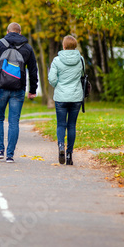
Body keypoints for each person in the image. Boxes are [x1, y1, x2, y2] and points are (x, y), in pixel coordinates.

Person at [0, 22, 39, 163]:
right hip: (18, 89)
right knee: (14, 122)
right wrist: (32, 90)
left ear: (7, 32)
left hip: (0, 87)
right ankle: (10, 155)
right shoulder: (27, 47)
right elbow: (33, 70)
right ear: (20, 33)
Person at [48, 35, 84, 165]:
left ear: (64, 46)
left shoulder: (57, 60)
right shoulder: (81, 60)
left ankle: (61, 146)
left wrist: (59, 85)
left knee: (61, 124)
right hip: (76, 96)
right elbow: (82, 75)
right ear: (75, 46)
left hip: (61, 97)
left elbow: (52, 79)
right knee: (72, 125)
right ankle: (69, 155)